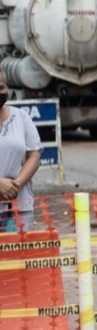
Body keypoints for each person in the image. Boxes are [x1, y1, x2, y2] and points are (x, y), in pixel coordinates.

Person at [0, 69, 41, 232]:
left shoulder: (21, 117)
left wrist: (15, 186)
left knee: (18, 248)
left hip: (19, 207)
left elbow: (34, 156)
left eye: (1, 87)